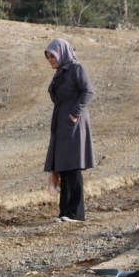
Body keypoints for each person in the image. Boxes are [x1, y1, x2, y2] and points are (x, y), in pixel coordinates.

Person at [43, 38, 96, 223]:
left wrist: (75, 113)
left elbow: (88, 91)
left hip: (73, 122)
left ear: (62, 53)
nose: (51, 60)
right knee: (63, 168)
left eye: (53, 56)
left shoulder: (76, 69)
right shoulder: (60, 73)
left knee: (73, 166)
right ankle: (65, 212)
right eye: (48, 57)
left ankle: (76, 213)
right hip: (61, 121)